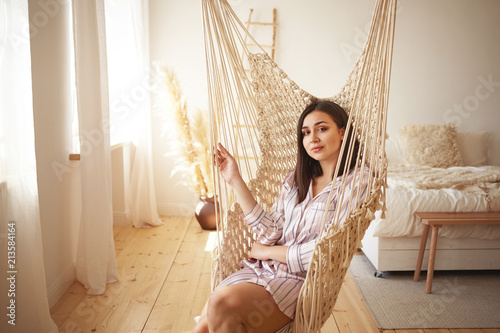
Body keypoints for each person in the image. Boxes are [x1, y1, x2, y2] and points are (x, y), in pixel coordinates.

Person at [193, 100, 368, 333]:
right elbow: (271, 230)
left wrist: (267, 252)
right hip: (260, 270)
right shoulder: (295, 180)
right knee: (203, 328)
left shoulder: (357, 182)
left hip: (298, 283)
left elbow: (326, 251)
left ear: (342, 132)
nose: (313, 138)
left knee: (220, 304)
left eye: (322, 129)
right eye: (306, 133)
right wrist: (235, 179)